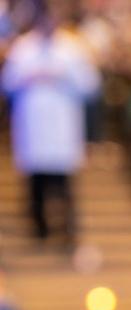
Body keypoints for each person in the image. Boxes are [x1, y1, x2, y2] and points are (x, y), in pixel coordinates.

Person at [1, 7, 100, 245]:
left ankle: (66, 228)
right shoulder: (23, 48)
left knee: (63, 182)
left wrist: (62, 77)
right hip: (33, 124)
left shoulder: (71, 48)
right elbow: (7, 84)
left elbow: (90, 85)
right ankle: (39, 228)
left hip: (61, 125)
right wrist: (31, 77)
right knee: (35, 182)